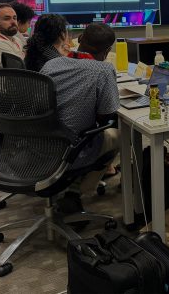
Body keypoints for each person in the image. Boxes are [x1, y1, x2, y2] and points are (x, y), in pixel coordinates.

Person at [39, 22, 120, 216]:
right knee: (119, 134)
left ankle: (72, 187)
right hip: (71, 148)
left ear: (80, 40)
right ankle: (75, 192)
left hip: (39, 142)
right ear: (108, 50)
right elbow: (106, 115)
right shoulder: (103, 70)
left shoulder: (52, 64)